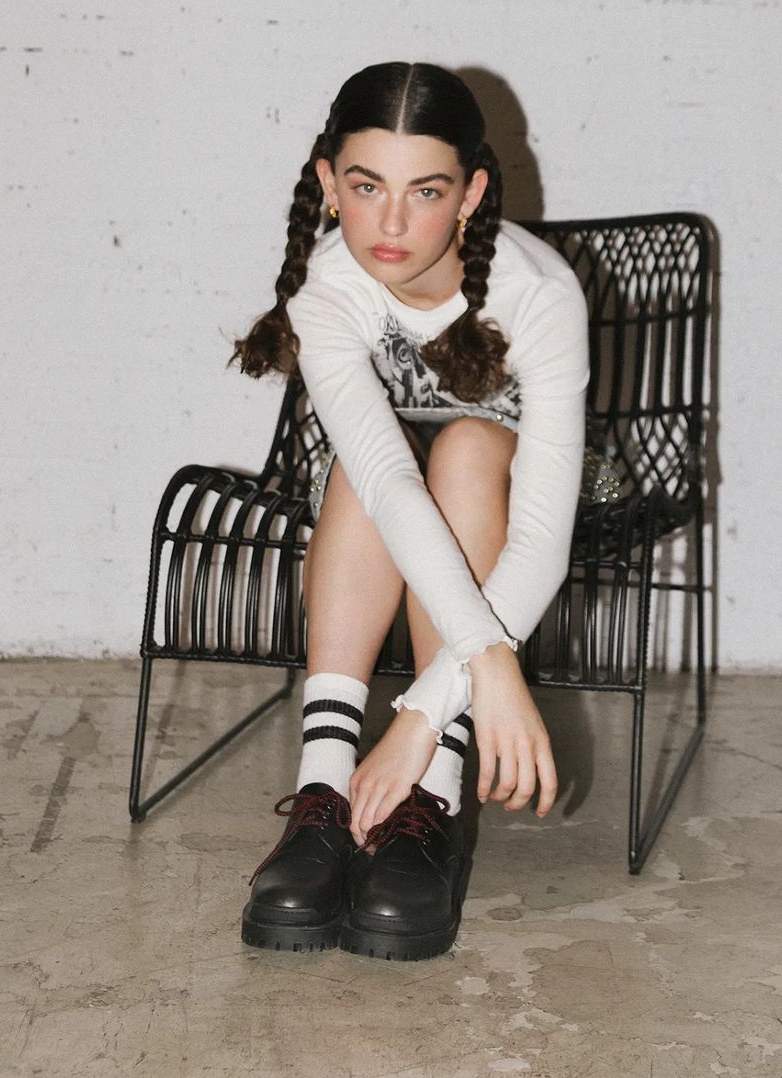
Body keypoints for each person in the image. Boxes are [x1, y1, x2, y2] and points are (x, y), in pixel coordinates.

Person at [231, 62, 588, 960]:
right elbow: (389, 480)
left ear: (471, 194)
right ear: (328, 182)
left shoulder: (538, 296)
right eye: (366, 187)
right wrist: (493, 664)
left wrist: (420, 718)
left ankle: (430, 795)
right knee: (366, 472)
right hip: (383, 500)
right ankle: (324, 790)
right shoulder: (327, 289)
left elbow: (542, 539)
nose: (390, 225)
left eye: (424, 191)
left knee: (465, 449)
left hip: (525, 500)